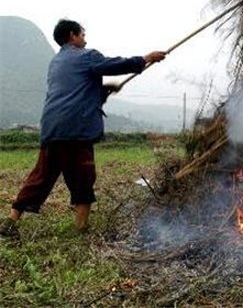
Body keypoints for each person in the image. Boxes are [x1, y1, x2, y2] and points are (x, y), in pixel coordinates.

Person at [0, 19, 166, 238]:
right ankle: (81, 229)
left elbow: (74, 93)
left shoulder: (56, 62)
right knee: (83, 178)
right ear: (73, 35)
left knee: (40, 176)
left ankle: (11, 221)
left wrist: (102, 90)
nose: (85, 38)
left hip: (52, 129)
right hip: (75, 131)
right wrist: (145, 59)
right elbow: (114, 65)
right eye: (82, 34)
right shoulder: (86, 56)